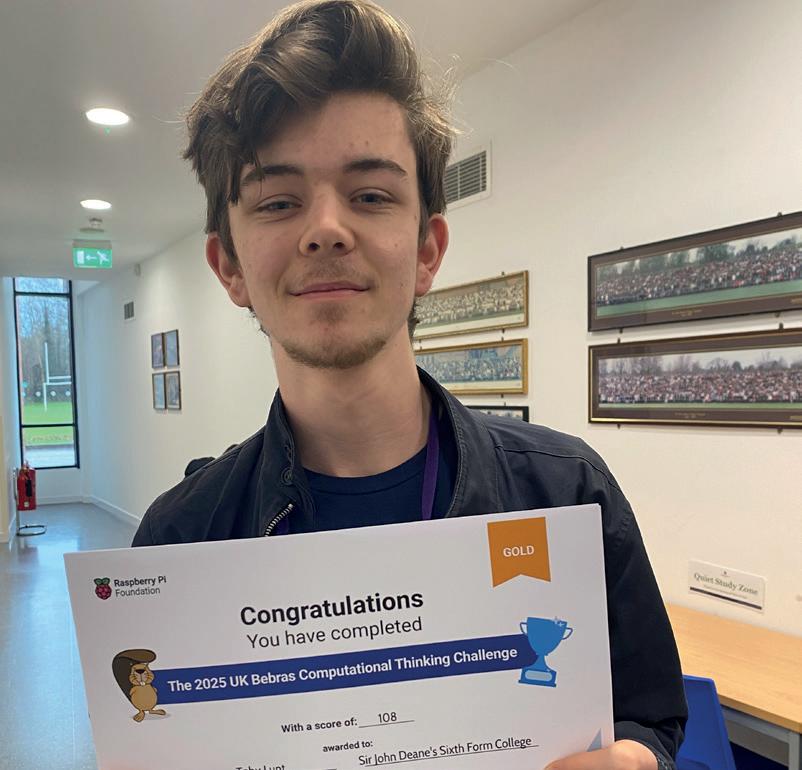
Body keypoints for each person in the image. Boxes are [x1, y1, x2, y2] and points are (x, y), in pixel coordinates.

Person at [132, 1, 686, 767]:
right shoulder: (181, 540)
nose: (327, 229)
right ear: (229, 265)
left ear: (427, 249)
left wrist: (637, 759)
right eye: (279, 201)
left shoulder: (567, 492)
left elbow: (652, 717)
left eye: (370, 195)